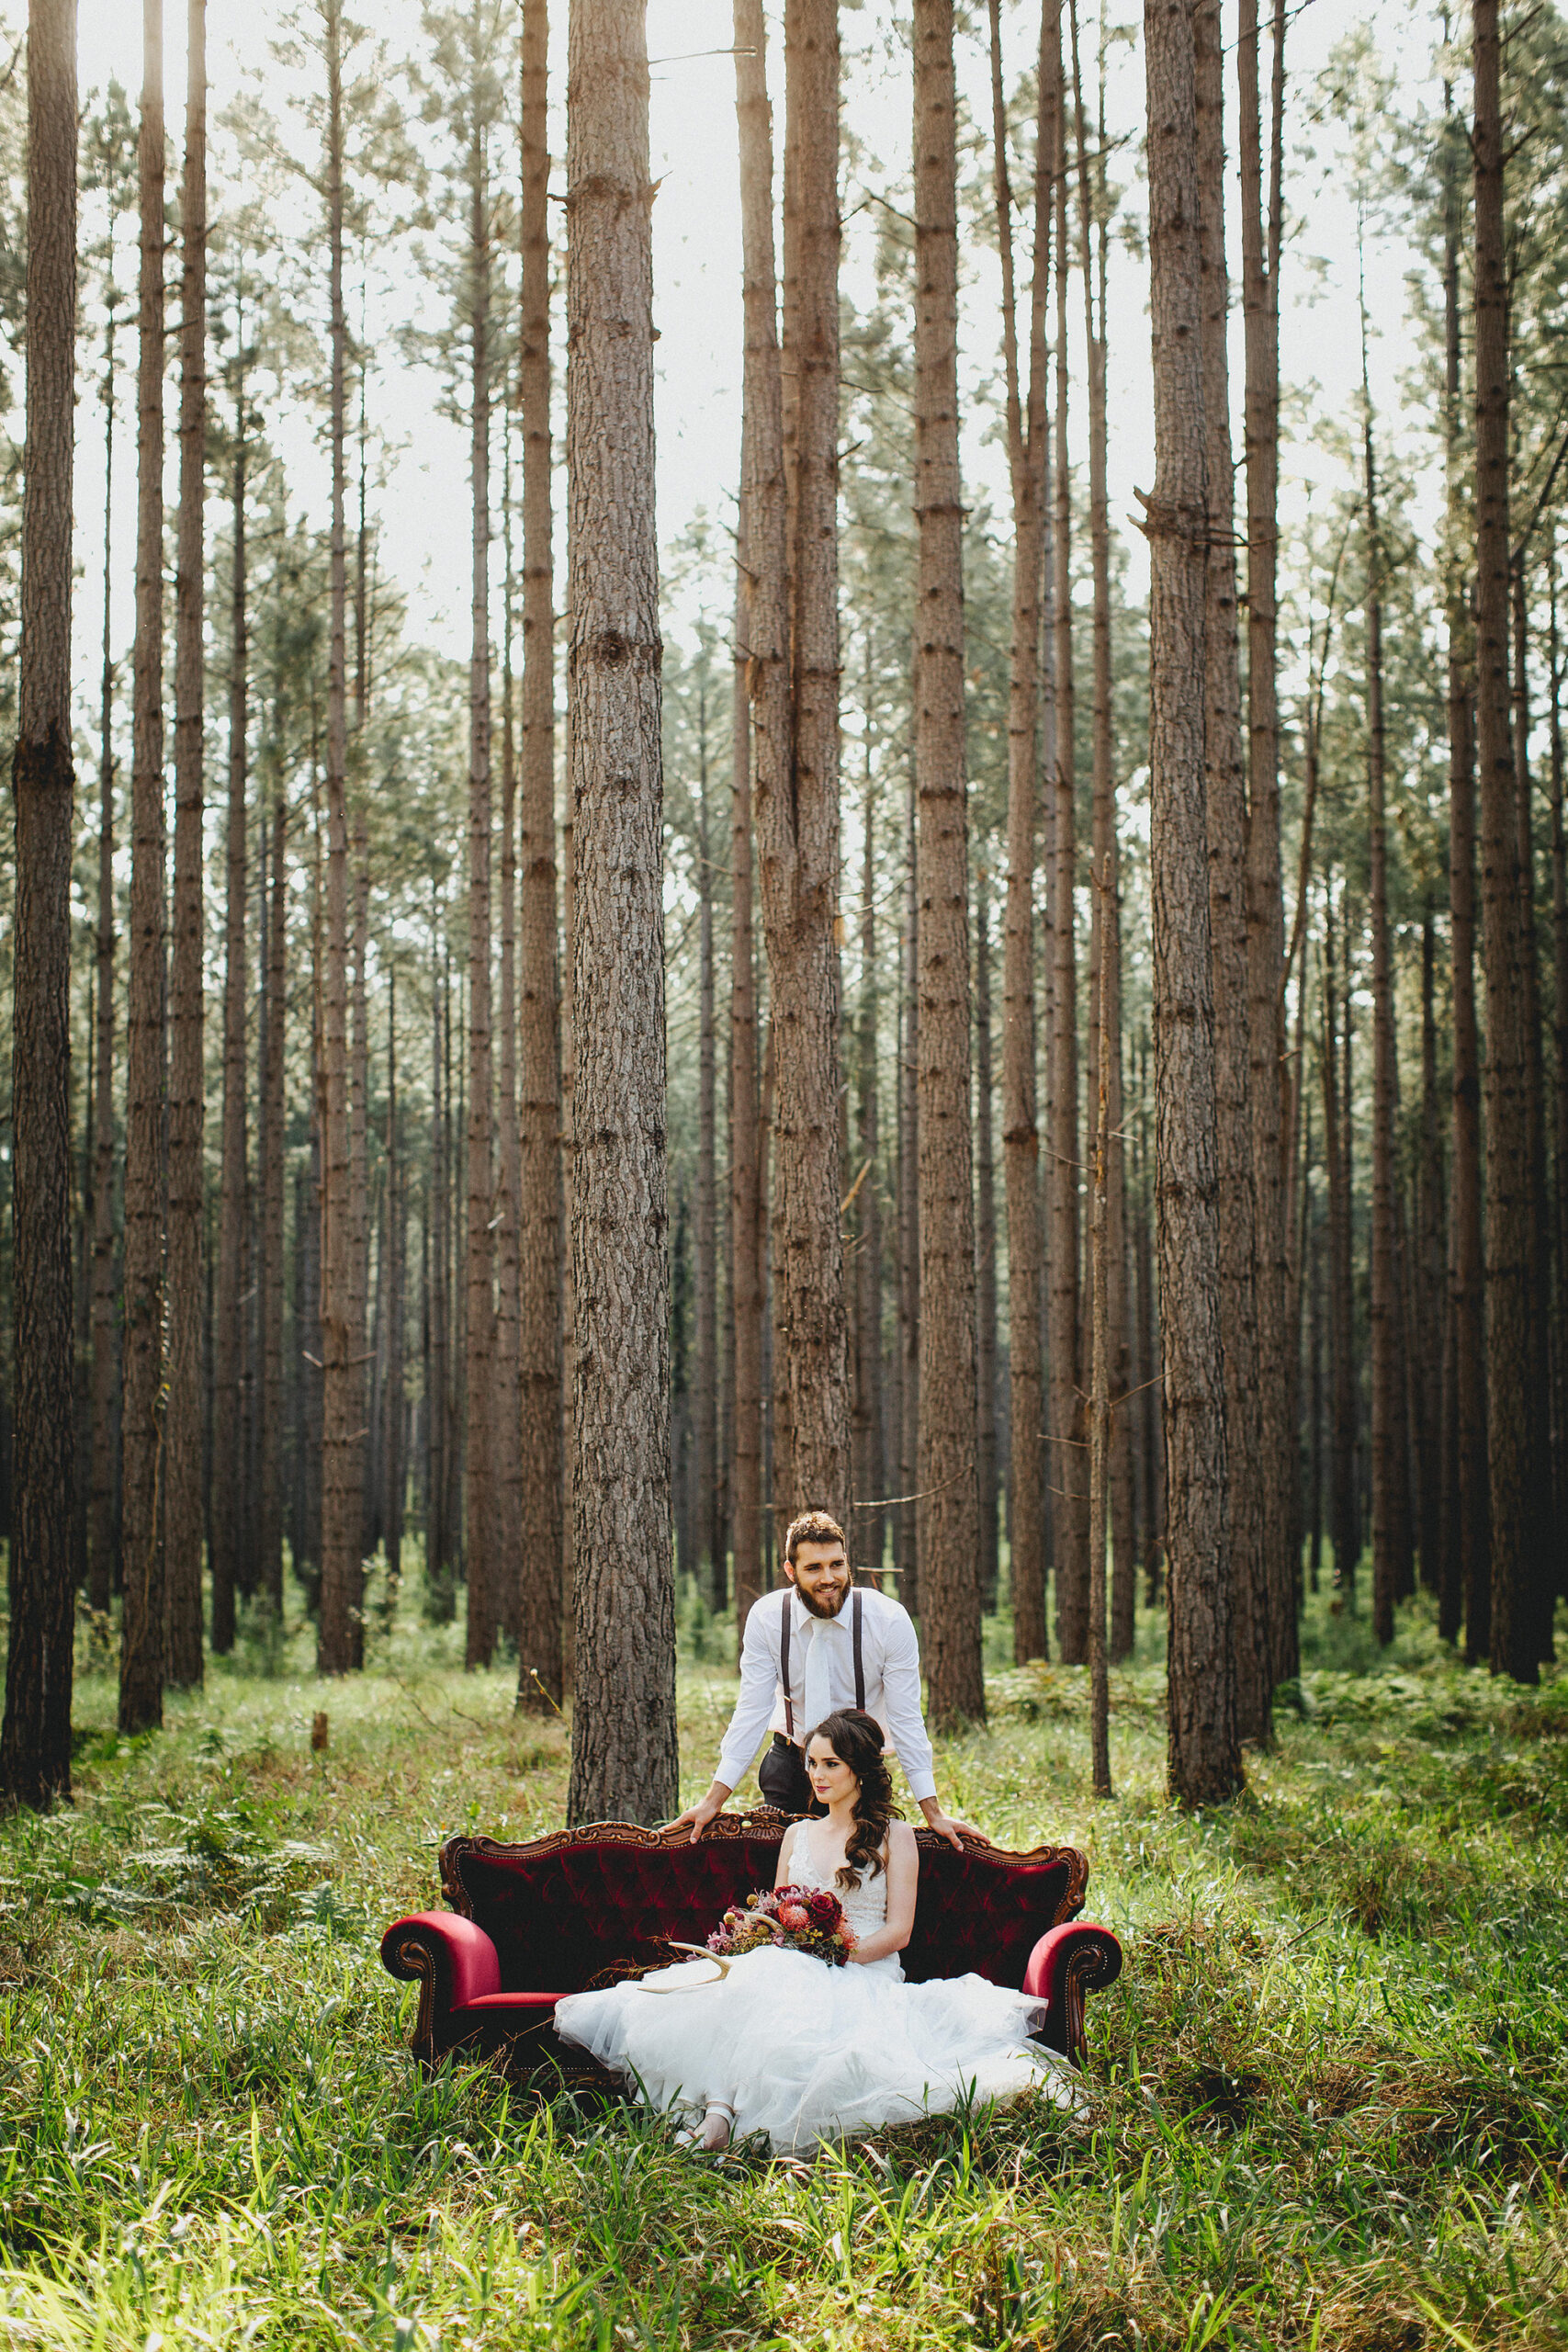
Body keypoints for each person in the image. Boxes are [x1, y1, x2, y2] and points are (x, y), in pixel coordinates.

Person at [553, 1711, 1076, 2155]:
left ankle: (719, 2121)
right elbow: (779, 1911)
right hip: (792, 1963)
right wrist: (762, 1934)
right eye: (812, 1763)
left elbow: (899, 1933)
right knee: (746, 1984)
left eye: (831, 1764)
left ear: (860, 1772)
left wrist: (833, 1954)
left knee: (779, 1984)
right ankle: (718, 2114)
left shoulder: (895, 1835)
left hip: (863, 1971)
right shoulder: (797, 1833)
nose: (818, 1776)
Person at [672, 1508, 976, 1850]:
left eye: (836, 1564)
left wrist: (932, 1810)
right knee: (787, 1884)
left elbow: (906, 1719)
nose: (828, 1578)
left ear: (847, 1562)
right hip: (789, 1766)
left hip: (859, 1769)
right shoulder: (768, 1618)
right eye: (814, 1568)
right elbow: (751, 1712)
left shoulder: (889, 1620)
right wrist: (713, 1801)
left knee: (858, 1873)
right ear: (791, 1571)